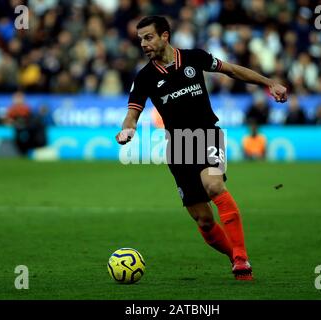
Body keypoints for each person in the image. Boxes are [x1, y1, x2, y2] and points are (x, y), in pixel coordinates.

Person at [115, 16, 287, 281]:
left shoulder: (194, 57)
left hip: (207, 134)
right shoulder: (145, 77)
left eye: (148, 37)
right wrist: (128, 129)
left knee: (214, 185)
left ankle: (241, 258)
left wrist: (269, 83)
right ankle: (234, 257)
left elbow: (231, 70)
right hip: (179, 147)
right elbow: (132, 114)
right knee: (204, 222)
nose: (143, 44)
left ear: (164, 35)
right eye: (140, 39)